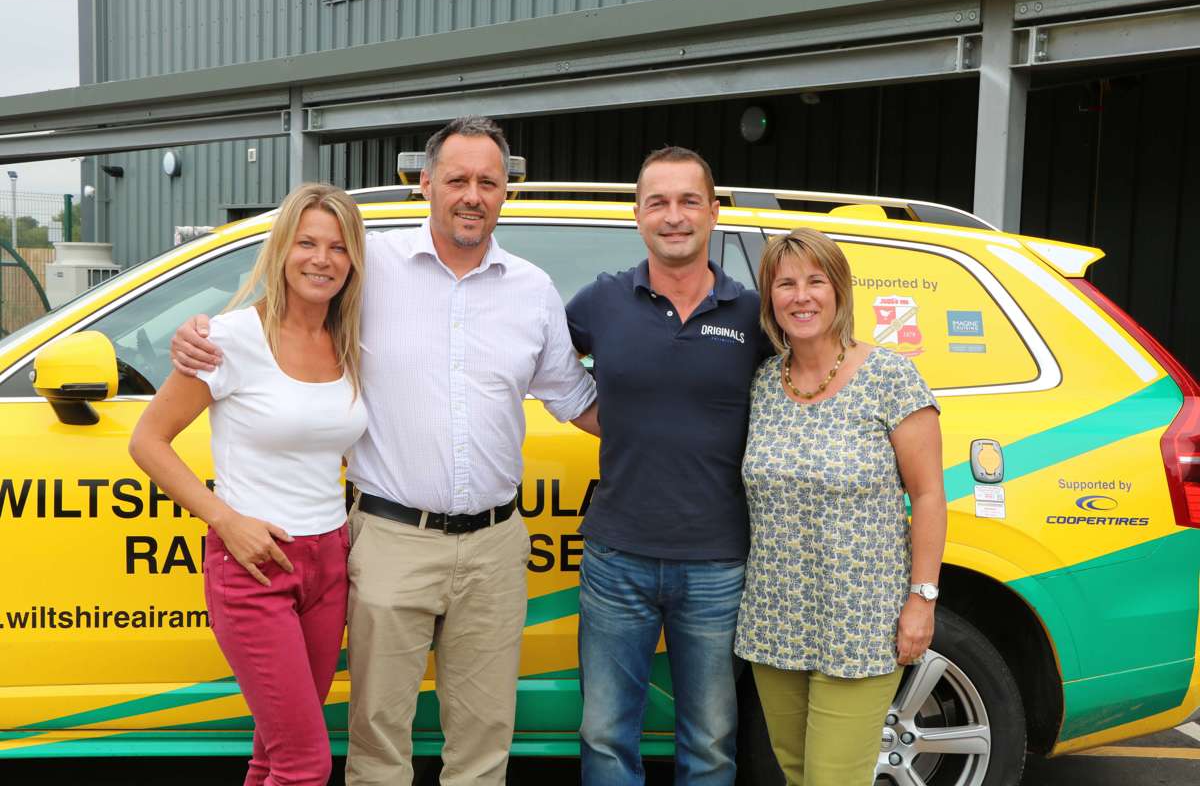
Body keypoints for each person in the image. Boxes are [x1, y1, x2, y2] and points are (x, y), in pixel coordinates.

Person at [170, 115, 599, 786]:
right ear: (425, 183)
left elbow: (576, 399)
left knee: (484, 744)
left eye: (489, 181)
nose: (472, 194)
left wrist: (685, 418)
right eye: (457, 178)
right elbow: (286, 311)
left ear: (505, 192)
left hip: (495, 546)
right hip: (392, 537)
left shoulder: (533, 291)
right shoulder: (368, 268)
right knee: (376, 745)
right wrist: (196, 334)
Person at [130, 182, 368, 786]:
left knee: (274, 754)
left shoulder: (348, 343)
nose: (322, 259)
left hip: (329, 560)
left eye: (338, 247)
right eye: (308, 243)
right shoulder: (232, 339)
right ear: (282, 249)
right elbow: (148, 442)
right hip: (255, 564)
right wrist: (226, 520)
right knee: (305, 763)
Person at [566, 146, 773, 785]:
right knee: (604, 737)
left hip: (718, 563)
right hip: (616, 558)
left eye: (689, 201)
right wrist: (606, 418)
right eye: (658, 201)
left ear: (714, 212)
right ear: (638, 215)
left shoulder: (755, 313)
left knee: (709, 742)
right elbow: (534, 363)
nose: (674, 216)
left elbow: (822, 372)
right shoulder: (600, 302)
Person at [735, 227, 947, 786]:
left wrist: (921, 600)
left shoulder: (890, 378)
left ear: (840, 292)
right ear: (770, 299)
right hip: (775, 618)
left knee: (833, 778)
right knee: (798, 772)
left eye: (815, 281)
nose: (801, 296)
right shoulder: (761, 383)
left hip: (861, 621)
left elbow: (927, 494)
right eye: (785, 284)